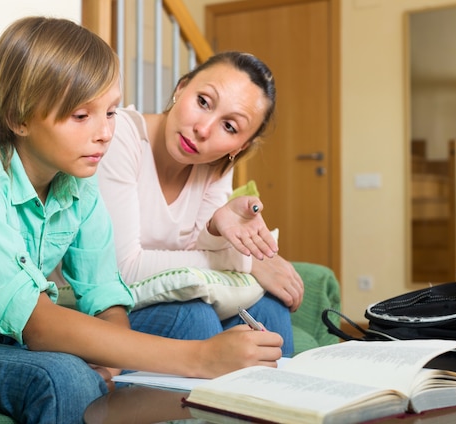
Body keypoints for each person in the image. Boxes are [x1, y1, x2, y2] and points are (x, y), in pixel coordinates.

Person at [0, 17, 284, 424]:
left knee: (190, 318)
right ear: (18, 117)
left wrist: (111, 363)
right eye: (81, 115)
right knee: (62, 377)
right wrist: (200, 358)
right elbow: (36, 323)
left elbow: (105, 296)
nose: (106, 132)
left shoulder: (77, 186)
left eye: (109, 111)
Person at [98, 51, 304, 356]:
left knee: (268, 309)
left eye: (230, 127)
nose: (203, 129)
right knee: (193, 316)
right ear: (181, 88)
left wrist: (216, 226)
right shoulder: (120, 136)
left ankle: (276, 403)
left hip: (152, 295)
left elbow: (201, 250)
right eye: (203, 102)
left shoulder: (214, 164)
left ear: (240, 146)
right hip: (103, 304)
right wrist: (246, 262)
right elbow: (124, 268)